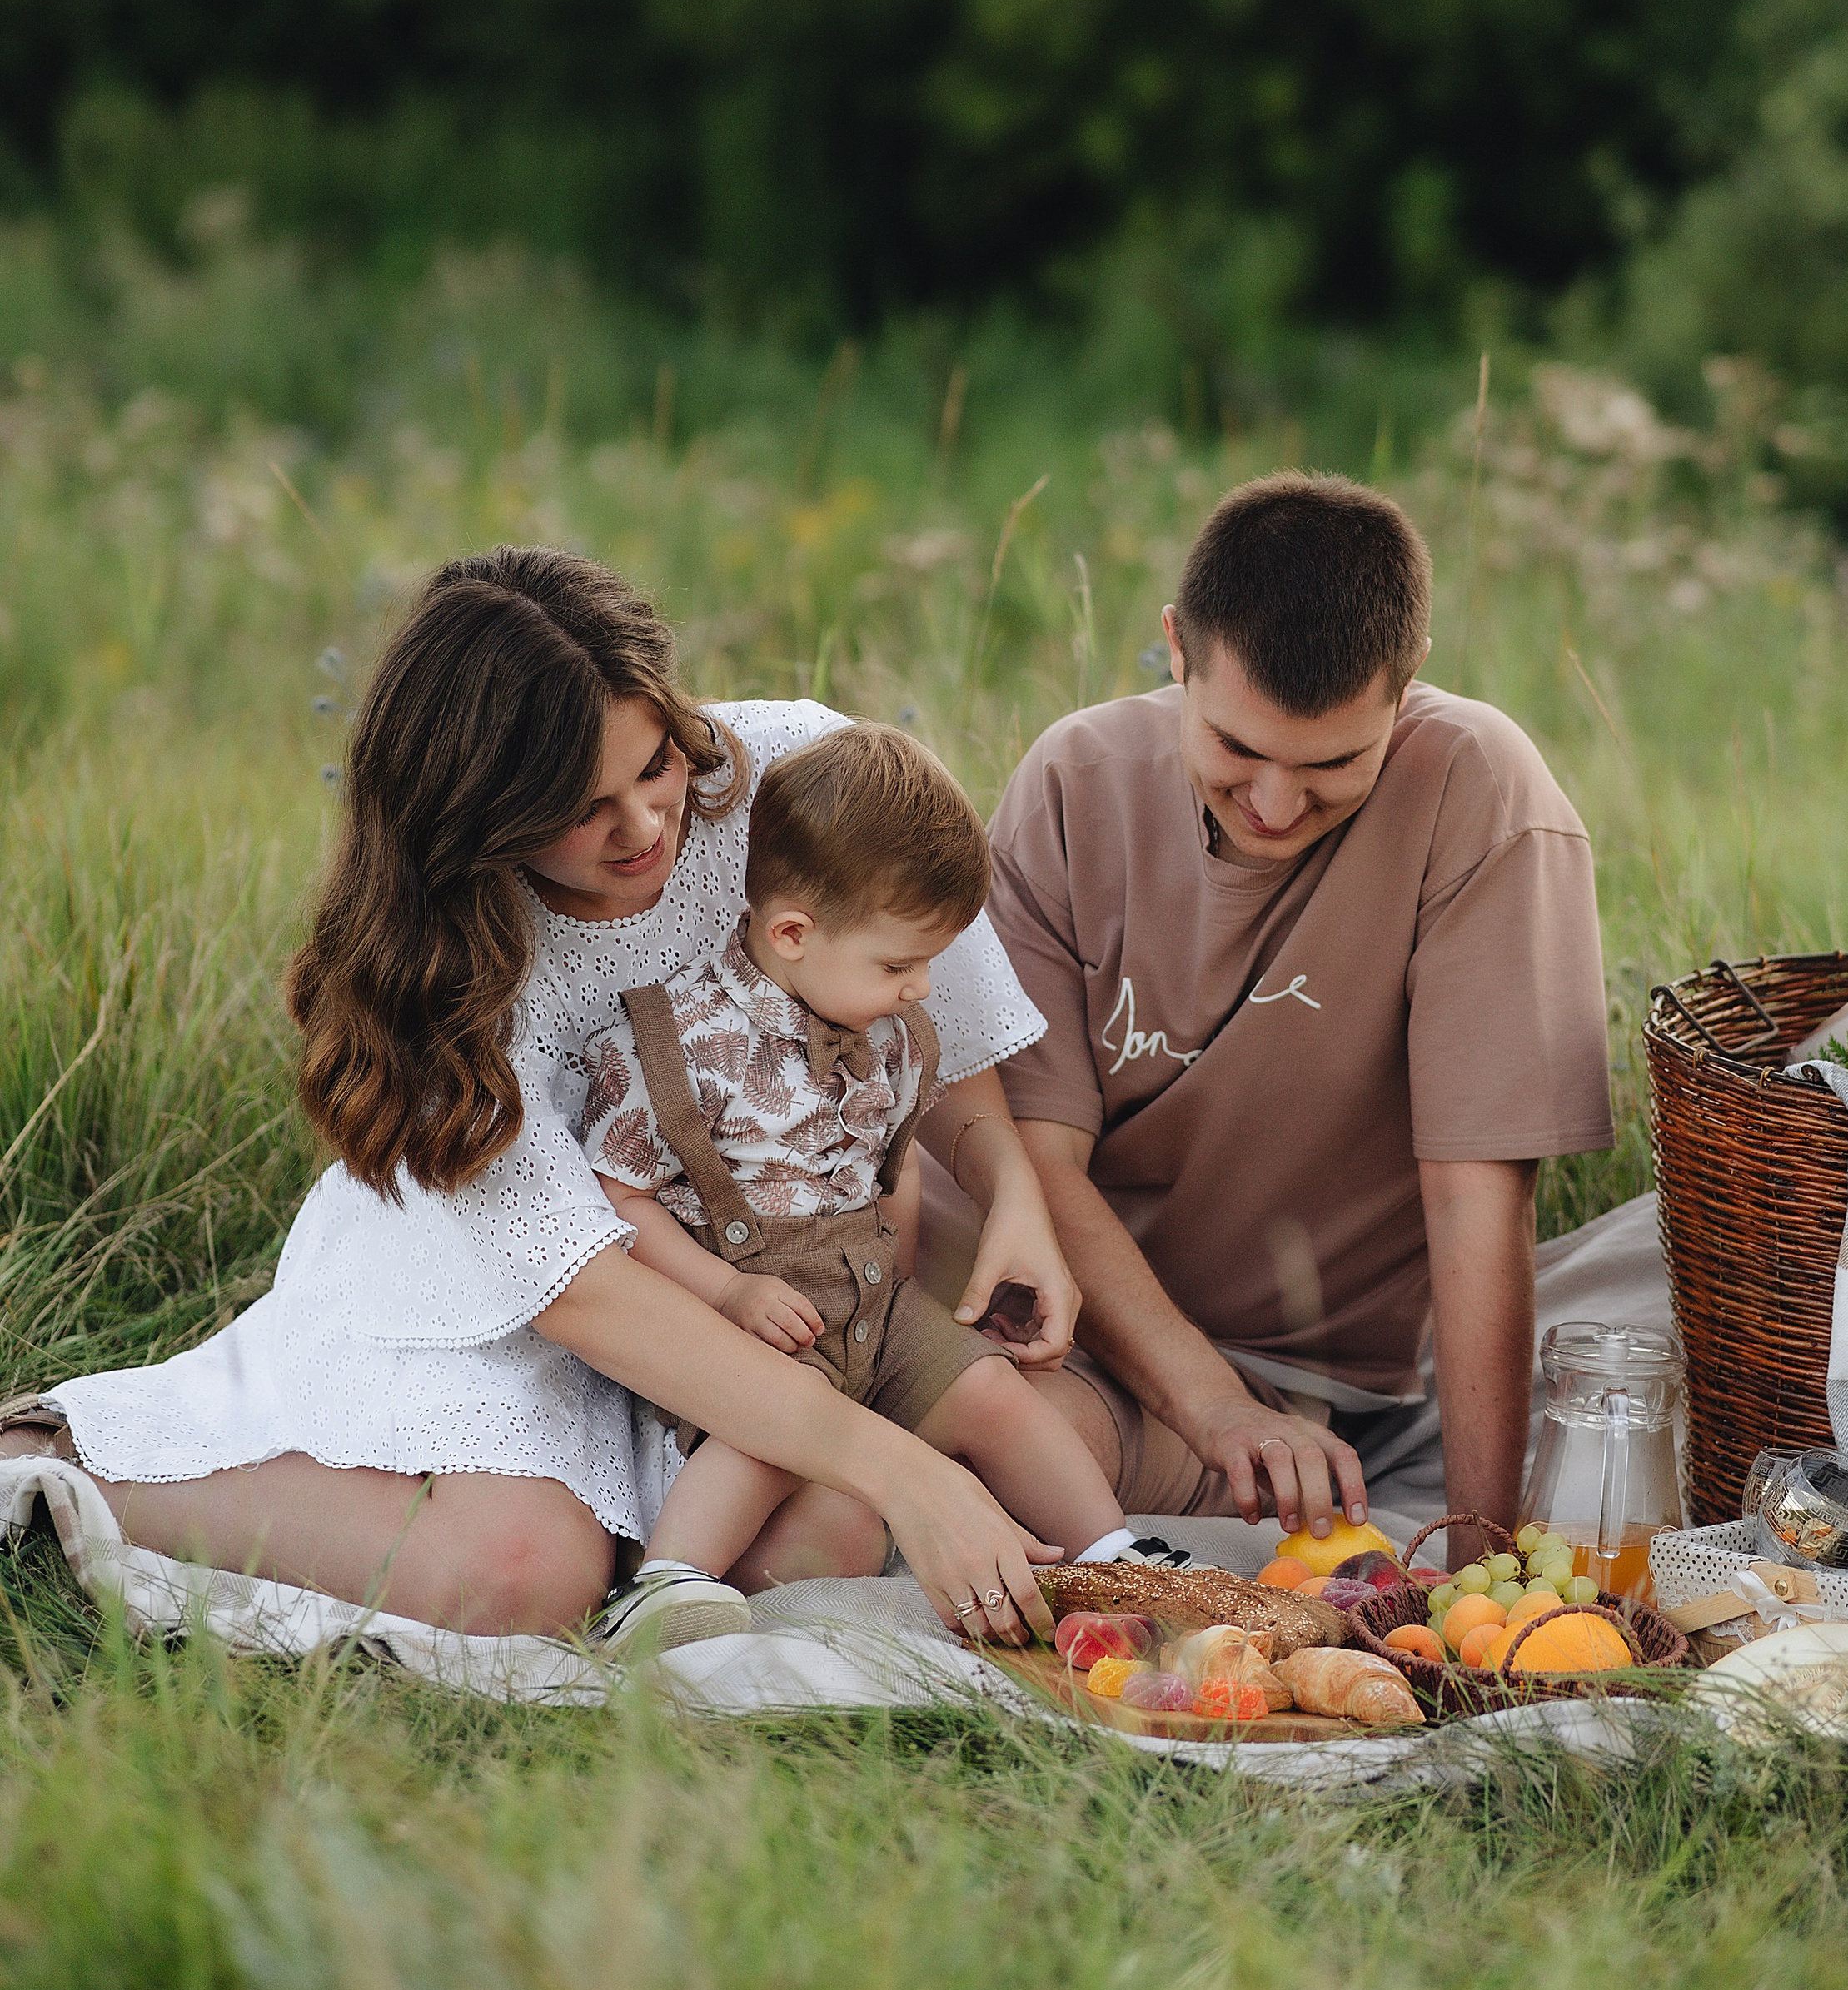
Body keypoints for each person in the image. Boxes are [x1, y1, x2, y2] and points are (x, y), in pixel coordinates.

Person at [0, 550, 1082, 1649]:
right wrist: (908, 1474)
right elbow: (586, 1294)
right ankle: (56, 1459)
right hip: (507, 1271)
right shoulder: (442, 971)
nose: (645, 827)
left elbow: (932, 1024)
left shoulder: (798, 773)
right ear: (478, 815)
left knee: (825, 1539)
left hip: (740, 1264)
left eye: (655, 762)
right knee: (524, 1571)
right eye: (580, 808)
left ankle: (669, 1540)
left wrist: (1013, 1199)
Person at [976, 470, 1616, 1544]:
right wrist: (1209, 1404)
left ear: (1405, 688)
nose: (1277, 805)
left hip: (1302, 1376)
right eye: (1235, 748)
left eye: (1333, 764)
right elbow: (1038, 1164)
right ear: (1175, 649)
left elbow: (1477, 1200)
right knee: (953, 1456)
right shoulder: (1071, 780)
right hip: (1064, 1323)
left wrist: (1479, 1555)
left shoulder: (1480, 793)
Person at [580, 720, 1130, 1588]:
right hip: (747, 1315)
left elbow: (895, 1166)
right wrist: (728, 1291)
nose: (919, 987)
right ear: (793, 933)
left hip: (876, 1307)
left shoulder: (891, 1032)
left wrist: (898, 1309)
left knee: (991, 1389)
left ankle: (1117, 1553)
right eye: (900, 964)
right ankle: (668, 1583)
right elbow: (619, 1203)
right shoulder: (675, 1045)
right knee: (762, 1432)